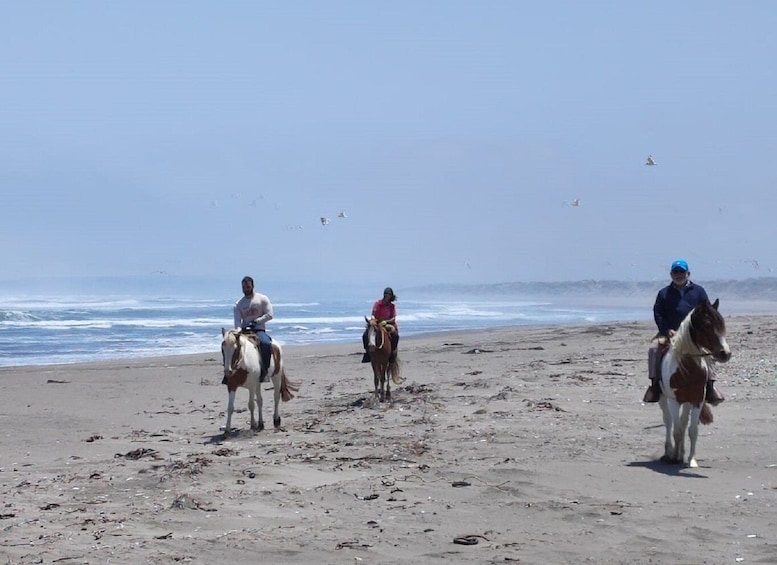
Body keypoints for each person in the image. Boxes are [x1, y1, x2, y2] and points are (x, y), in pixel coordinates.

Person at [643, 259, 724, 405]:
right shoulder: (663, 293)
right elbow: (658, 313)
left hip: (693, 335)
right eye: (676, 272)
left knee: (709, 350)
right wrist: (667, 330)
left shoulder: (699, 291)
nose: (679, 275)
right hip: (669, 333)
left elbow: (707, 312)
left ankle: (711, 387)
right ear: (671, 274)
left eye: (682, 272)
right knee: (654, 349)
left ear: (688, 273)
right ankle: (654, 386)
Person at [233, 276, 274, 380]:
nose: (246, 289)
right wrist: (238, 331)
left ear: (252, 286)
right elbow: (237, 321)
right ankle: (230, 372)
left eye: (248, 287)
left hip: (258, 330)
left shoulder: (262, 299)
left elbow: (270, 314)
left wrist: (256, 321)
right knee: (231, 346)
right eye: (243, 287)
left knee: (265, 344)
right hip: (244, 331)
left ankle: (265, 371)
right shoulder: (239, 304)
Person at [362, 287, 399, 363]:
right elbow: (373, 314)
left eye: (388, 294)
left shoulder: (392, 306)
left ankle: (392, 353)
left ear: (391, 295)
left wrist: (386, 322)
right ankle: (367, 353)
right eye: (385, 294)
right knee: (365, 335)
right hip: (377, 323)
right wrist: (373, 319)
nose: (387, 295)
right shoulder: (378, 304)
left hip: (387, 324)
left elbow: (393, 318)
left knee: (395, 335)